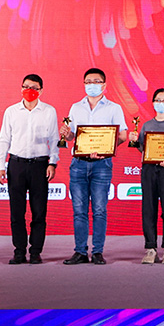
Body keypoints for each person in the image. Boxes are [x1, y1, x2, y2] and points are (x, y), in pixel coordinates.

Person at [60, 68, 127, 265]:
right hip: (79, 164)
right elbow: (72, 136)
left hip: (102, 164)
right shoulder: (76, 108)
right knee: (79, 210)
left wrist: (106, 148)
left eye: (96, 81)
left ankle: (98, 251)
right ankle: (80, 251)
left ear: (104, 85)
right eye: (88, 82)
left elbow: (123, 135)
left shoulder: (114, 108)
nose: (92, 85)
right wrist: (66, 134)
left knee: (99, 209)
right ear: (84, 84)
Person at [0, 74, 59, 264]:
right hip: (16, 164)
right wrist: (0, 165)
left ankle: (36, 251)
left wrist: (53, 163)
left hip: (40, 165)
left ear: (41, 90)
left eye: (34, 87)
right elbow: (4, 139)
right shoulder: (11, 111)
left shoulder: (49, 111)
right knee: (17, 211)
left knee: (39, 211)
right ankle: (19, 250)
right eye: (26, 86)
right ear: (21, 88)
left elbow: (54, 139)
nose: (29, 90)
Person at [128, 88, 164, 265]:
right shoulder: (146, 125)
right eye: (158, 100)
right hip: (149, 170)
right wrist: (134, 140)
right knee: (149, 209)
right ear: (153, 103)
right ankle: (150, 248)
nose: (161, 103)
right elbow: (142, 148)